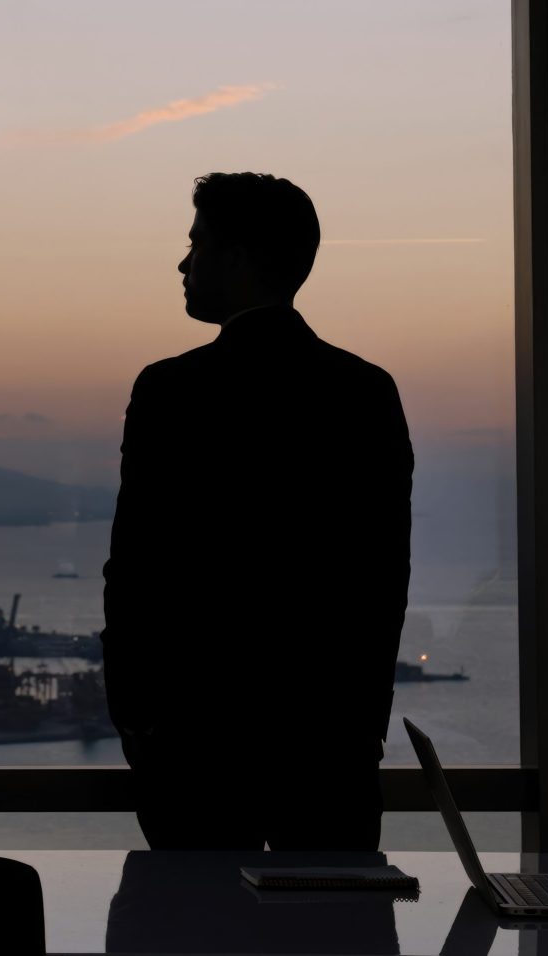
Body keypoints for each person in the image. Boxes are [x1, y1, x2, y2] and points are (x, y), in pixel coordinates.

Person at [101, 172, 413, 850]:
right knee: (334, 935)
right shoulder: (363, 391)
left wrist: (136, 718)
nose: (183, 263)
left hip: (194, 743)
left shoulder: (173, 390)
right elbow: (382, 576)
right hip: (328, 744)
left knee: (190, 933)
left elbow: (137, 566)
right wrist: (363, 727)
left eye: (197, 244)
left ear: (238, 257)